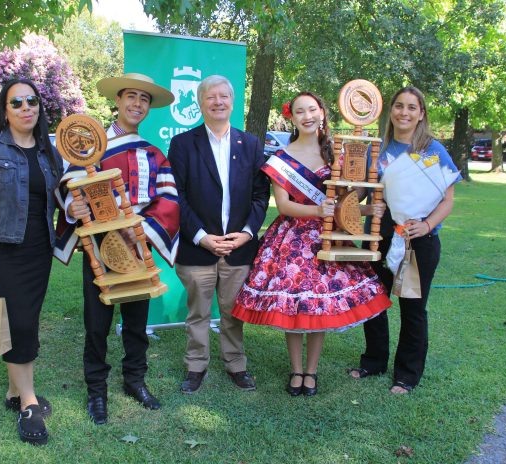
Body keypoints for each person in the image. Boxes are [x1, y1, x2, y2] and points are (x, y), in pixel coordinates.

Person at [230, 92, 392, 396]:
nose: (307, 116)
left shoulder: (337, 153)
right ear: (292, 117)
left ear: (322, 113)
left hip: (329, 238)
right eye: (300, 111)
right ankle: (296, 369)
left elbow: (349, 200)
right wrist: (318, 210)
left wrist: (368, 205)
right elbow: (284, 205)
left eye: (312, 110)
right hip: (292, 240)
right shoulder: (281, 158)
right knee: (294, 308)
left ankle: (311, 371)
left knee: (319, 308)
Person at [55, 73, 179, 425]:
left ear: (148, 107)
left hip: (137, 247)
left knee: (137, 323)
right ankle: (97, 390)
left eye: (144, 99)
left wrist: (141, 230)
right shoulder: (90, 148)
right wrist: (73, 206)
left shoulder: (155, 154)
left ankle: (134, 380)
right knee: (97, 325)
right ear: (118, 101)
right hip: (99, 248)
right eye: (131, 97)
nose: (137, 104)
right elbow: (67, 188)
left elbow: (169, 199)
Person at [0, 78, 63, 445]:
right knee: (17, 324)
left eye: (31, 101)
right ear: (4, 111)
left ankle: (13, 391)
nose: (26, 108)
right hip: (1, 251)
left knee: (25, 322)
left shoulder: (48, 152)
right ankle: (28, 403)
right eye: (16, 102)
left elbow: (60, 197)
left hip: (38, 253)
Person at [348, 86, 462, 394]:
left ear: (421, 114)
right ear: (391, 111)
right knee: (374, 302)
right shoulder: (377, 149)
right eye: (399, 106)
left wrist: (427, 225)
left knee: (413, 308)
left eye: (412, 107)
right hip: (379, 236)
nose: (404, 112)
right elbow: (360, 192)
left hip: (418, 240)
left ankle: (407, 373)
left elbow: (448, 199)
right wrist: (349, 186)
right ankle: (374, 361)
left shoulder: (433, 151)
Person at [169, 75, 270, 394]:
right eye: (210, 97)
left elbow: (260, 195)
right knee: (198, 312)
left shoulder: (250, 144)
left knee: (232, 311)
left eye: (223, 96)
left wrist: (246, 233)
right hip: (197, 246)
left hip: (238, 247)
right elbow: (176, 196)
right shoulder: (183, 144)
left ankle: (236, 364)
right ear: (200, 103)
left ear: (232, 101)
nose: (218, 102)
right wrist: (201, 236)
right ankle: (196, 366)